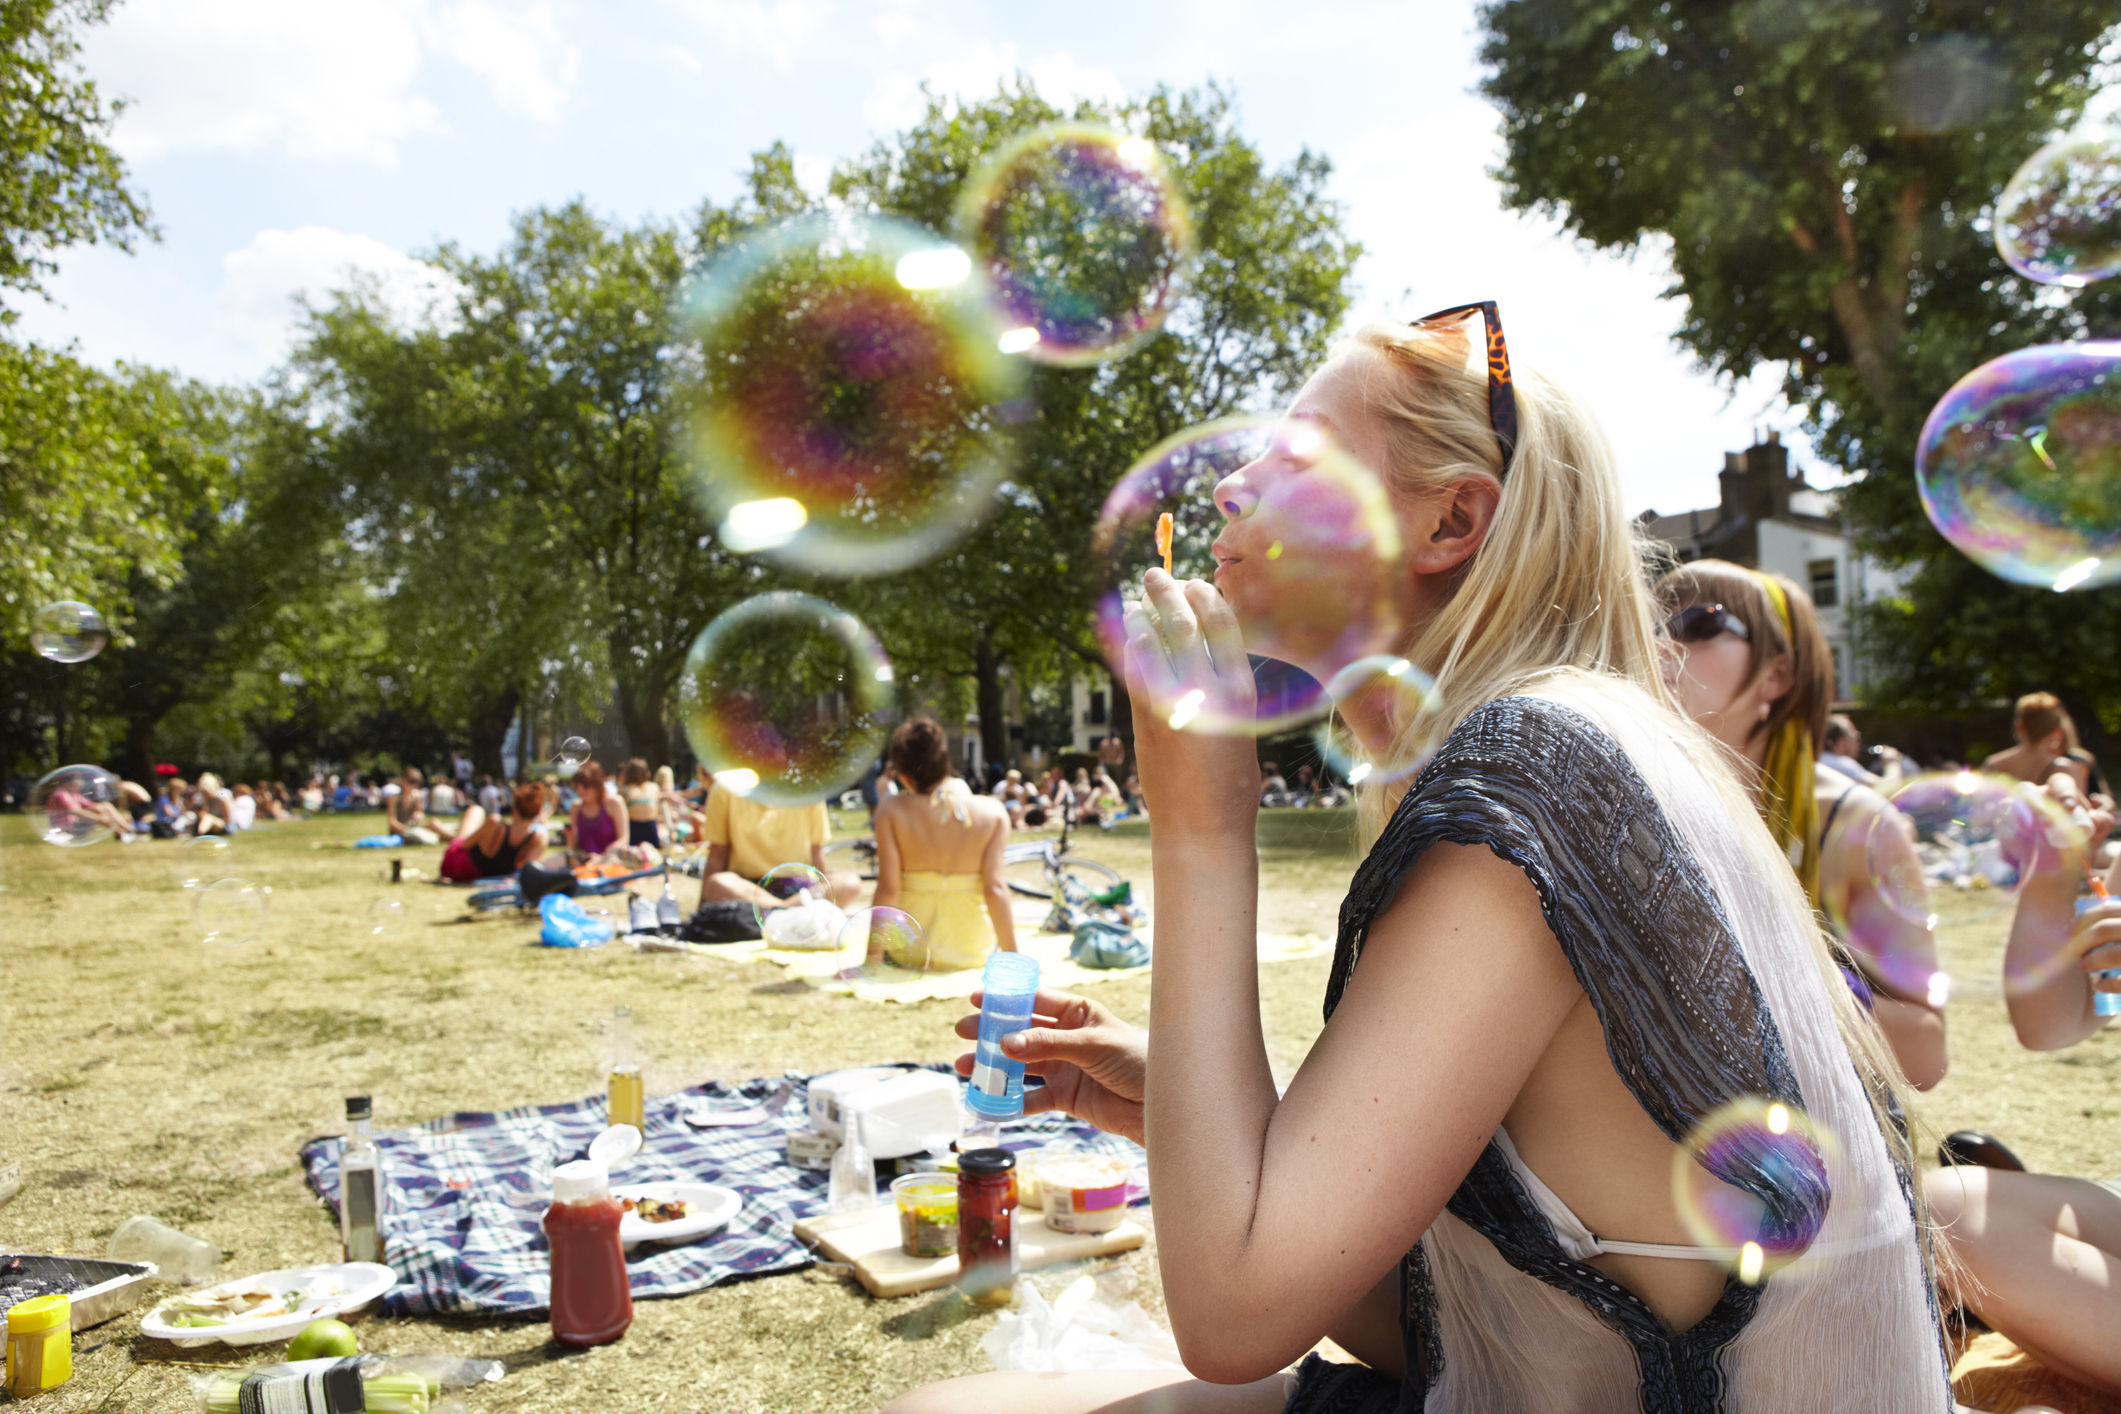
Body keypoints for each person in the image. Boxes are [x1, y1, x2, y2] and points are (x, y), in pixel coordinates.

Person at [891, 310, 1944, 1412]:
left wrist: (1202, 828)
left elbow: (1232, 1316)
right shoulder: (1569, 745)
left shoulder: (1536, 780)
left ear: (1451, 519)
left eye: (1293, 455)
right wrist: (1171, 1104)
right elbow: (1460, 1322)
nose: (1228, 487)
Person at [1656, 560, 1949, 1090]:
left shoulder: (1855, 825)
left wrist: (1784, 968)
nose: (1658, 644)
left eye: (1697, 624)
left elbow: (1928, 1055)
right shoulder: (1634, 799)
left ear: (1777, 675)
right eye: (1648, 622)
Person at [853, 718, 1015, 973]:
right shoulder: (994, 812)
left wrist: (871, 961)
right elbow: (995, 890)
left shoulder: (892, 811)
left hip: (909, 947)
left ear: (904, 775)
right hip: (971, 950)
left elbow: (888, 889)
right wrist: (1015, 960)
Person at [698, 779, 859, 910]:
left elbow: (815, 851)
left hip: (801, 888)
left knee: (850, 882)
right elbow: (717, 854)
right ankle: (786, 911)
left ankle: (777, 911)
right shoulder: (724, 789)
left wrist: (823, 889)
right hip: (749, 889)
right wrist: (702, 906)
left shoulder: (808, 790)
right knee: (717, 883)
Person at [439, 782, 551, 882]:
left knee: (476, 811)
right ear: (537, 814)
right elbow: (527, 872)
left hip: (457, 867)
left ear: (513, 810)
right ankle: (442, 830)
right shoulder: (539, 838)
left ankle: (439, 829)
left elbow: (465, 844)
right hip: (486, 876)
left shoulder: (495, 822)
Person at [1819, 712, 1902, 787]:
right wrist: (1892, 762)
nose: (1859, 741)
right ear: (1842, 743)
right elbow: (1888, 789)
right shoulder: (1840, 763)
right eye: (1856, 736)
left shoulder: (1822, 760)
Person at [566, 761, 624, 859]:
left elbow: (623, 839)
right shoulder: (576, 806)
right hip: (583, 860)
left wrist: (602, 857)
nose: (580, 791)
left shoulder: (614, 803)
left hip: (610, 860)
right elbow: (572, 847)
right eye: (576, 787)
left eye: (585, 786)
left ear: (597, 784)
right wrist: (569, 835)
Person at [385, 767, 438, 845]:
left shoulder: (418, 796)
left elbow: (421, 814)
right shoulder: (394, 799)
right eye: (411, 782)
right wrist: (408, 830)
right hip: (399, 832)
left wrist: (419, 815)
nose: (414, 785)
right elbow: (392, 822)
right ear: (403, 780)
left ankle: (456, 837)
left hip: (413, 828)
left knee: (434, 823)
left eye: (417, 782)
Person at [619, 757, 661, 850]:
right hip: (651, 827)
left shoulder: (624, 789)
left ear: (628, 773)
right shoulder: (654, 787)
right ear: (646, 772)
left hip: (633, 828)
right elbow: (658, 811)